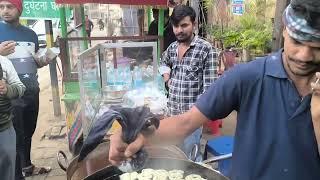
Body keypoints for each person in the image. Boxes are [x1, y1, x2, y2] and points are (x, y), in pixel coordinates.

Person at [109, 2, 320, 180]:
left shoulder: (205, 49)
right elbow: (186, 122)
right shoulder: (248, 77)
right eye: (297, 41)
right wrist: (139, 135)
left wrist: (317, 115)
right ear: (284, 29)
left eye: (317, 47)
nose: (304, 55)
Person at [158, 5, 218, 161]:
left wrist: (197, 119)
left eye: (184, 25)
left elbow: (210, 91)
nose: (179, 30)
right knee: (172, 158)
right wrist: (167, 78)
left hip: (191, 122)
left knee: (190, 160)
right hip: (171, 116)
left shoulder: (206, 49)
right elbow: (162, 61)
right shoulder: (172, 48)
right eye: (176, 26)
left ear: (194, 24)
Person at [0, 0, 50, 178]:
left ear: (19, 9)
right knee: (13, 136)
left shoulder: (31, 34)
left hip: (31, 90)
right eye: (1, 7)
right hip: (9, 94)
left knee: (29, 131)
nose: (5, 11)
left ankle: (26, 166)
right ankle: (15, 174)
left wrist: (44, 59)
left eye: (10, 6)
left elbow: (32, 62)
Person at [0, 53, 25, 180]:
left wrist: (7, 89)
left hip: (4, 129)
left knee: (6, 172)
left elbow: (21, 88)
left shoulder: (4, 62)